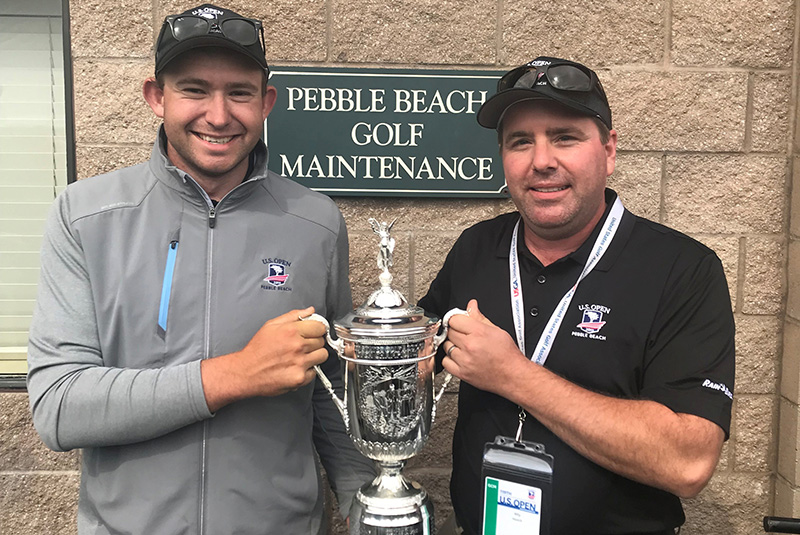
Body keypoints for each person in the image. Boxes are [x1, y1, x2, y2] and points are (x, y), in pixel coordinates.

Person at [26, 4, 375, 534]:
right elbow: (59, 407)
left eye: (239, 92)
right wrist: (236, 374)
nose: (218, 115)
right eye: (194, 90)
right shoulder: (85, 215)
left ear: (266, 102)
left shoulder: (315, 222)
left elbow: (329, 387)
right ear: (156, 96)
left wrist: (360, 495)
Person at [419, 56, 735, 535]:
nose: (542, 161)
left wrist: (513, 375)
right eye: (520, 141)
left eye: (565, 137)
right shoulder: (476, 249)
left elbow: (687, 461)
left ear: (608, 150)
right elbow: (418, 356)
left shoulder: (683, 269)